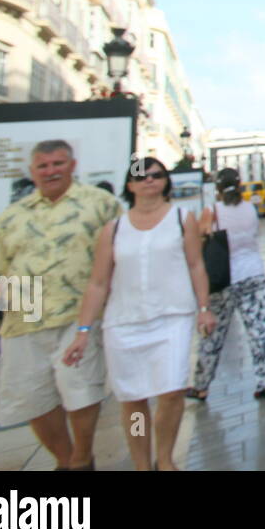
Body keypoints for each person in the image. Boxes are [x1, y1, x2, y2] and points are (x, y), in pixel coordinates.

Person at [0, 139, 121, 470]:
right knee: (32, 399)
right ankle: (64, 459)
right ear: (32, 172)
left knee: (81, 391)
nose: (51, 171)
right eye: (43, 166)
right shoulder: (12, 217)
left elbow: (126, 256)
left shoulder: (101, 204)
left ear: (73, 166)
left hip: (80, 320)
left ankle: (81, 458)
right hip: (22, 325)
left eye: (58, 164)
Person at [63, 157, 213, 471]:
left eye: (157, 175)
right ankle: (142, 464)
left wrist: (203, 308)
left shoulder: (182, 219)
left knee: (171, 391)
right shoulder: (113, 229)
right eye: (141, 176)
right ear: (130, 185)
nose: (149, 180)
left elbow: (196, 265)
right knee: (133, 401)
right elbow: (98, 283)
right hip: (123, 324)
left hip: (173, 316)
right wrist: (82, 332)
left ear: (165, 181)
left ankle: (166, 459)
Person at [189, 168, 265, 400]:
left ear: (217, 189)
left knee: (213, 335)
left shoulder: (212, 211)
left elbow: (201, 238)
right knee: (261, 330)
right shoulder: (250, 208)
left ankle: (201, 385)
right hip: (254, 273)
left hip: (224, 278)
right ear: (239, 185)